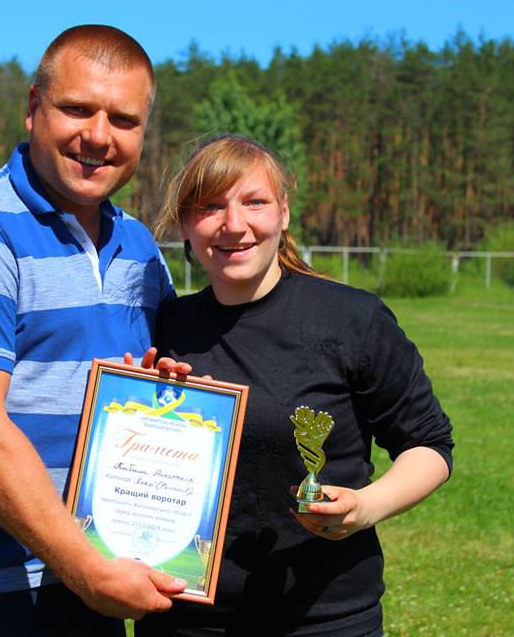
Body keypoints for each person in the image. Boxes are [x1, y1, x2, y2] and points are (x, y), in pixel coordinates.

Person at [0, 25, 190, 636]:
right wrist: (88, 569)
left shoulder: (139, 247)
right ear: (32, 109)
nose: (98, 136)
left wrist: (165, 387)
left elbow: (142, 390)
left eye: (123, 120)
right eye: (77, 108)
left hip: (81, 577)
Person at [135, 135, 455, 637]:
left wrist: (364, 508)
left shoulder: (352, 320)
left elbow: (429, 444)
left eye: (254, 202)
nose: (234, 225)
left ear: (283, 213)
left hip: (323, 618)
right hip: (184, 619)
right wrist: (143, 402)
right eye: (210, 206)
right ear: (184, 225)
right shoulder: (164, 326)